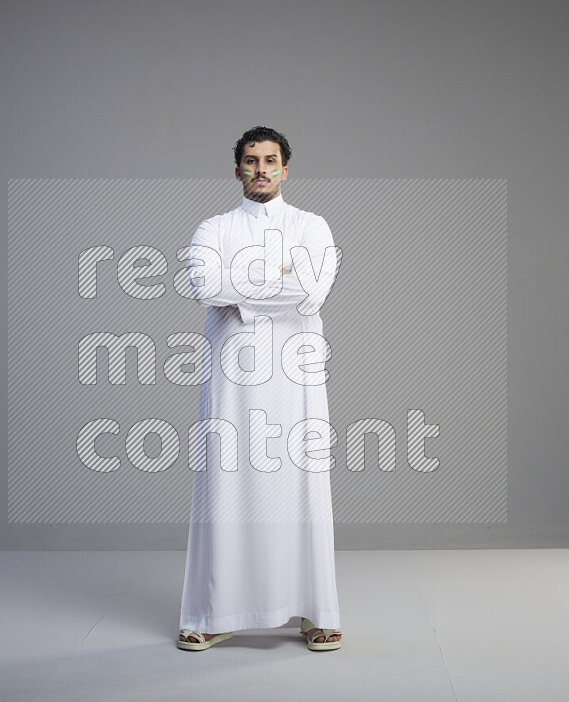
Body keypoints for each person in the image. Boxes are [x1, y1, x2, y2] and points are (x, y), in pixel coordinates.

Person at [177, 126, 343, 652]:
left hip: (296, 378)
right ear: (238, 171)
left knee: (302, 488)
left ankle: (315, 611)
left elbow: (312, 291)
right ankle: (213, 611)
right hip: (232, 376)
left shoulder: (312, 225)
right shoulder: (215, 227)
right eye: (251, 161)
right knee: (226, 488)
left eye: (271, 160)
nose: (261, 169)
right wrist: (279, 278)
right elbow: (203, 285)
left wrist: (241, 288)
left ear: (285, 169)